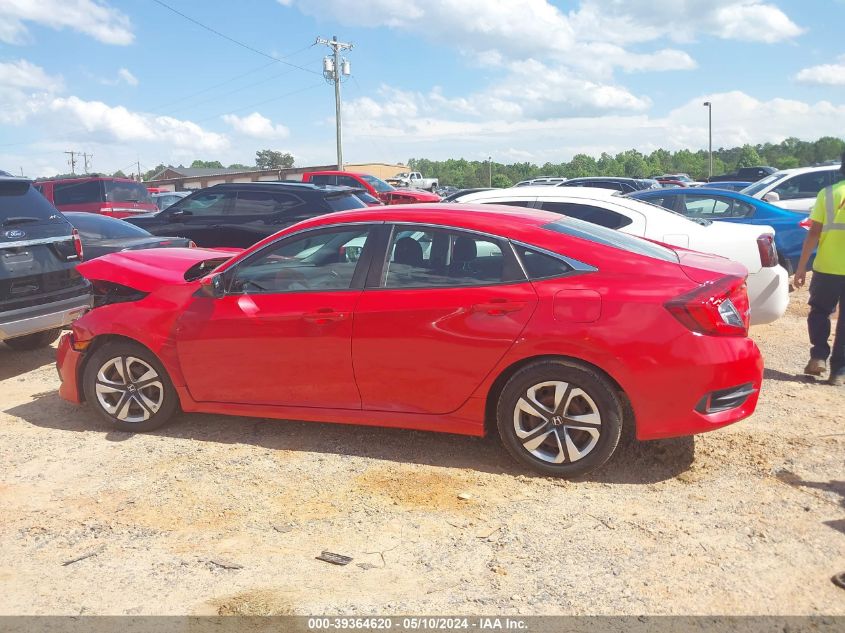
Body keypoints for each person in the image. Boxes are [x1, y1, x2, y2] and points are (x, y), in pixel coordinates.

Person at [793, 152, 845, 386]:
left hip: (827, 267)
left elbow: (814, 233)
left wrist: (802, 266)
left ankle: (818, 356)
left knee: (820, 311)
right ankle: (839, 372)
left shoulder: (828, 194)